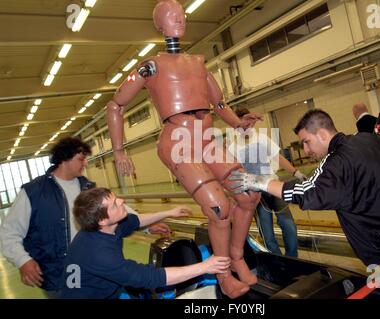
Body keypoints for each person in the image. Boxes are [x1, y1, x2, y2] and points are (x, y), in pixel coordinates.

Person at [106, 0, 262, 298]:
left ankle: (238, 256)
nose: (180, 18)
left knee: (250, 194)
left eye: (182, 14)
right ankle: (224, 274)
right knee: (219, 208)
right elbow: (116, 104)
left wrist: (239, 123)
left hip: (206, 140)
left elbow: (218, 104)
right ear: (159, 24)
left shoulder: (198, 63)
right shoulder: (149, 66)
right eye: (172, 15)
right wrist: (118, 150)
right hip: (178, 141)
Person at [230, 109, 380, 299]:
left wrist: (261, 182)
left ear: (322, 134)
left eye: (306, 141)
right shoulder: (366, 139)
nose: (306, 149)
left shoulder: (336, 162)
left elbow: (307, 193)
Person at [0, 137, 170, 298]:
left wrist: (146, 226)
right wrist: (23, 260)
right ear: (65, 158)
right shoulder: (34, 192)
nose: (86, 163)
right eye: (81, 159)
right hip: (58, 276)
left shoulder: (87, 187)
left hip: (97, 272)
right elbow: (8, 233)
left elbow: (118, 210)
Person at [61, 188, 230, 299]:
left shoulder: (106, 227)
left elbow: (136, 220)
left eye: (116, 198)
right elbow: (151, 277)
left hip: (101, 288)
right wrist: (204, 267)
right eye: (114, 204)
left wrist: (169, 212)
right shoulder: (98, 253)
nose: (121, 201)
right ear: (103, 220)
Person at [230, 108, 301, 257]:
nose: (248, 123)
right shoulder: (232, 148)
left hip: (273, 187)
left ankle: (292, 259)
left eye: (250, 120)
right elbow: (234, 173)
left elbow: (278, 158)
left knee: (289, 226)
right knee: (267, 235)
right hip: (255, 194)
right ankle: (278, 262)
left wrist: (295, 172)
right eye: (244, 119)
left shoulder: (262, 139)